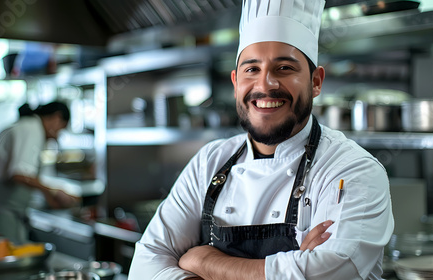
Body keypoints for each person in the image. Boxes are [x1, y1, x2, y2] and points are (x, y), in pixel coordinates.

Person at [129, 0, 394, 279]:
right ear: (235, 83)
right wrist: (294, 265)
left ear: (316, 81)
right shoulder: (209, 162)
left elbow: (335, 271)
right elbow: (145, 266)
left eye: (284, 68)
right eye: (252, 69)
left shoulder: (353, 169)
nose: (265, 84)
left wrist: (205, 261)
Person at [0, 101, 80, 244]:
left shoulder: (26, 126)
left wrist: (48, 195)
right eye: (60, 129)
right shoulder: (32, 129)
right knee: (8, 253)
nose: (57, 136)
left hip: (3, 206)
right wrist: (53, 192)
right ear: (56, 117)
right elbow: (19, 174)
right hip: (3, 208)